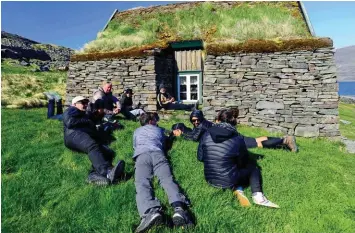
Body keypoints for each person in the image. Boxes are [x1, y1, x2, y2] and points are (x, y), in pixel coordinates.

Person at [197, 109, 279, 208]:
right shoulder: (238, 138)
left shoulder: (206, 134)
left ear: (218, 120)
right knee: (254, 168)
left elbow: (200, 158)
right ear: (234, 123)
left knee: (232, 170)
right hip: (229, 179)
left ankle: (237, 188)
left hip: (210, 179)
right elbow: (243, 161)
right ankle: (258, 196)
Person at [133, 112, 194, 233]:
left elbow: (134, 146)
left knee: (142, 182)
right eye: (155, 120)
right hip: (159, 155)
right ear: (150, 121)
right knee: (167, 180)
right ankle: (179, 208)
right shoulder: (159, 130)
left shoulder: (136, 131)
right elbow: (166, 141)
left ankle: (150, 211)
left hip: (142, 156)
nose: (157, 122)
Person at [63, 95, 125, 186]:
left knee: (108, 152)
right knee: (91, 145)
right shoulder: (72, 110)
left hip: (83, 135)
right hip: (73, 134)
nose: (85, 105)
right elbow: (69, 122)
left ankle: (94, 175)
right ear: (74, 104)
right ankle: (106, 172)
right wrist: (88, 121)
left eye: (86, 103)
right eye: (82, 103)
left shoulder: (84, 114)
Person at [173, 109, 298, 152]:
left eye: (196, 120)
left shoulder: (202, 126)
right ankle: (283, 141)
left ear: (200, 118)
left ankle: (285, 140)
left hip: (232, 137)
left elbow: (194, 138)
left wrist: (182, 135)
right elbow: (193, 132)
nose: (195, 122)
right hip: (232, 134)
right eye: (193, 120)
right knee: (256, 140)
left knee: (257, 144)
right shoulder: (201, 124)